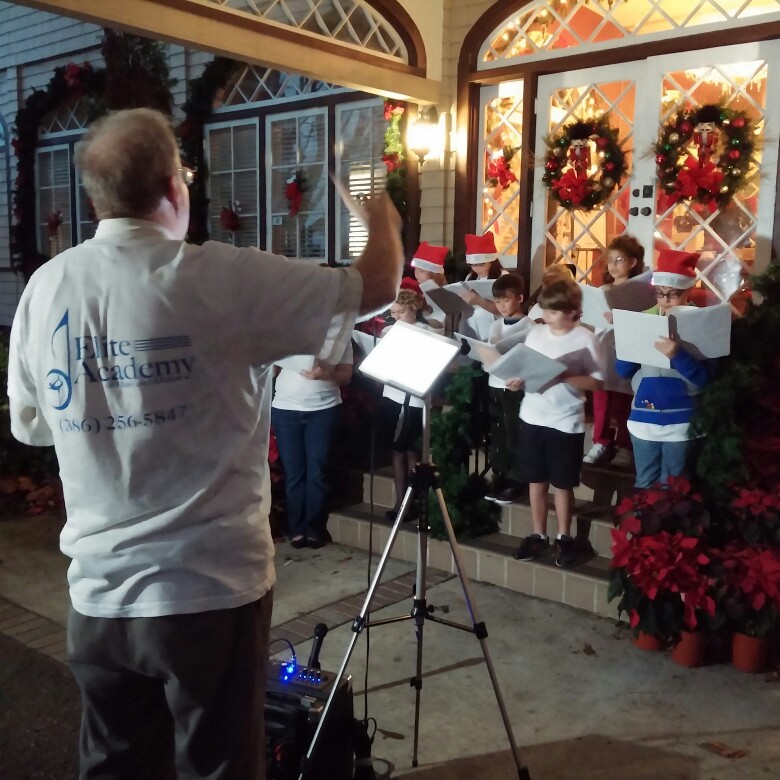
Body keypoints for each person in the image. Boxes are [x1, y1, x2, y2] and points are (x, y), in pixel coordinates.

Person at [6, 108, 402, 780]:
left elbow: (31, 424)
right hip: (208, 593)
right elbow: (378, 285)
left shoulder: (47, 288)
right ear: (174, 186)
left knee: (115, 767)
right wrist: (379, 206)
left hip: (98, 596)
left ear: (95, 195)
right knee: (218, 767)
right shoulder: (224, 279)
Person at [509, 281, 605, 568]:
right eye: (545, 310)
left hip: (565, 419)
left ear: (571, 311)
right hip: (533, 415)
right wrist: (516, 381)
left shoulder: (585, 338)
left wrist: (563, 376)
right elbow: (525, 368)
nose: (546, 316)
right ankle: (539, 534)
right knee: (536, 480)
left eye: (552, 312)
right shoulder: (536, 334)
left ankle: (564, 537)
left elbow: (598, 383)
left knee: (562, 483)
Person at [615, 249, 709, 490]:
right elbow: (623, 371)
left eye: (673, 295)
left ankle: (670, 529)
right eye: (660, 294)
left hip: (682, 419)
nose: (665, 301)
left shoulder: (701, 323)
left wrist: (677, 355)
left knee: (674, 486)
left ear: (688, 292)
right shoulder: (644, 319)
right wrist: (631, 345)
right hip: (644, 416)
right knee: (644, 482)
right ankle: (642, 528)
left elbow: (706, 379)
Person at [271, 343, 353, 549]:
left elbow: (346, 375)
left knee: (318, 471)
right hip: (285, 408)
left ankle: (314, 528)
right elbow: (270, 371)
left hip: (324, 409)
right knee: (293, 472)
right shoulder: (288, 332)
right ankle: (296, 529)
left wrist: (326, 375)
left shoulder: (339, 335)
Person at [583, 234, 646, 468]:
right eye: (610, 260)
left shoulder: (639, 291)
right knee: (601, 400)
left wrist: (619, 318)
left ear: (632, 262)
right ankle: (601, 441)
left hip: (626, 350)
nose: (614, 265)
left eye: (620, 260)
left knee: (623, 402)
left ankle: (624, 445)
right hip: (603, 349)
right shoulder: (603, 290)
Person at [382, 289, 431, 521]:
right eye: (392, 312)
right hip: (392, 394)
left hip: (413, 398)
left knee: (412, 450)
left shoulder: (425, 333)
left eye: (400, 312)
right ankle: (400, 501)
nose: (396, 317)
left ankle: (412, 503)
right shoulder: (389, 331)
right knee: (396, 448)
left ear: (414, 309)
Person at [484, 272, 532, 505]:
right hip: (494, 383)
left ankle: (517, 480)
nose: (502, 306)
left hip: (515, 387)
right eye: (498, 301)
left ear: (520, 298)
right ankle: (500, 475)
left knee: (515, 433)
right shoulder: (494, 325)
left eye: (507, 300)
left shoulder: (529, 325)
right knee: (498, 433)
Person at [458, 232, 504, 338]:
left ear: (492, 261)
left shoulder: (503, 276)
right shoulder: (470, 277)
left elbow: (503, 309)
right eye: (473, 265)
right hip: (470, 323)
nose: (476, 268)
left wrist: (479, 300)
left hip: (492, 325)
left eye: (480, 265)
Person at [410, 241, 449, 329]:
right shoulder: (418, 289)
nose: (416, 274)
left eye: (422, 271)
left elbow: (439, 321)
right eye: (415, 269)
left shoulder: (440, 293)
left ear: (434, 274)